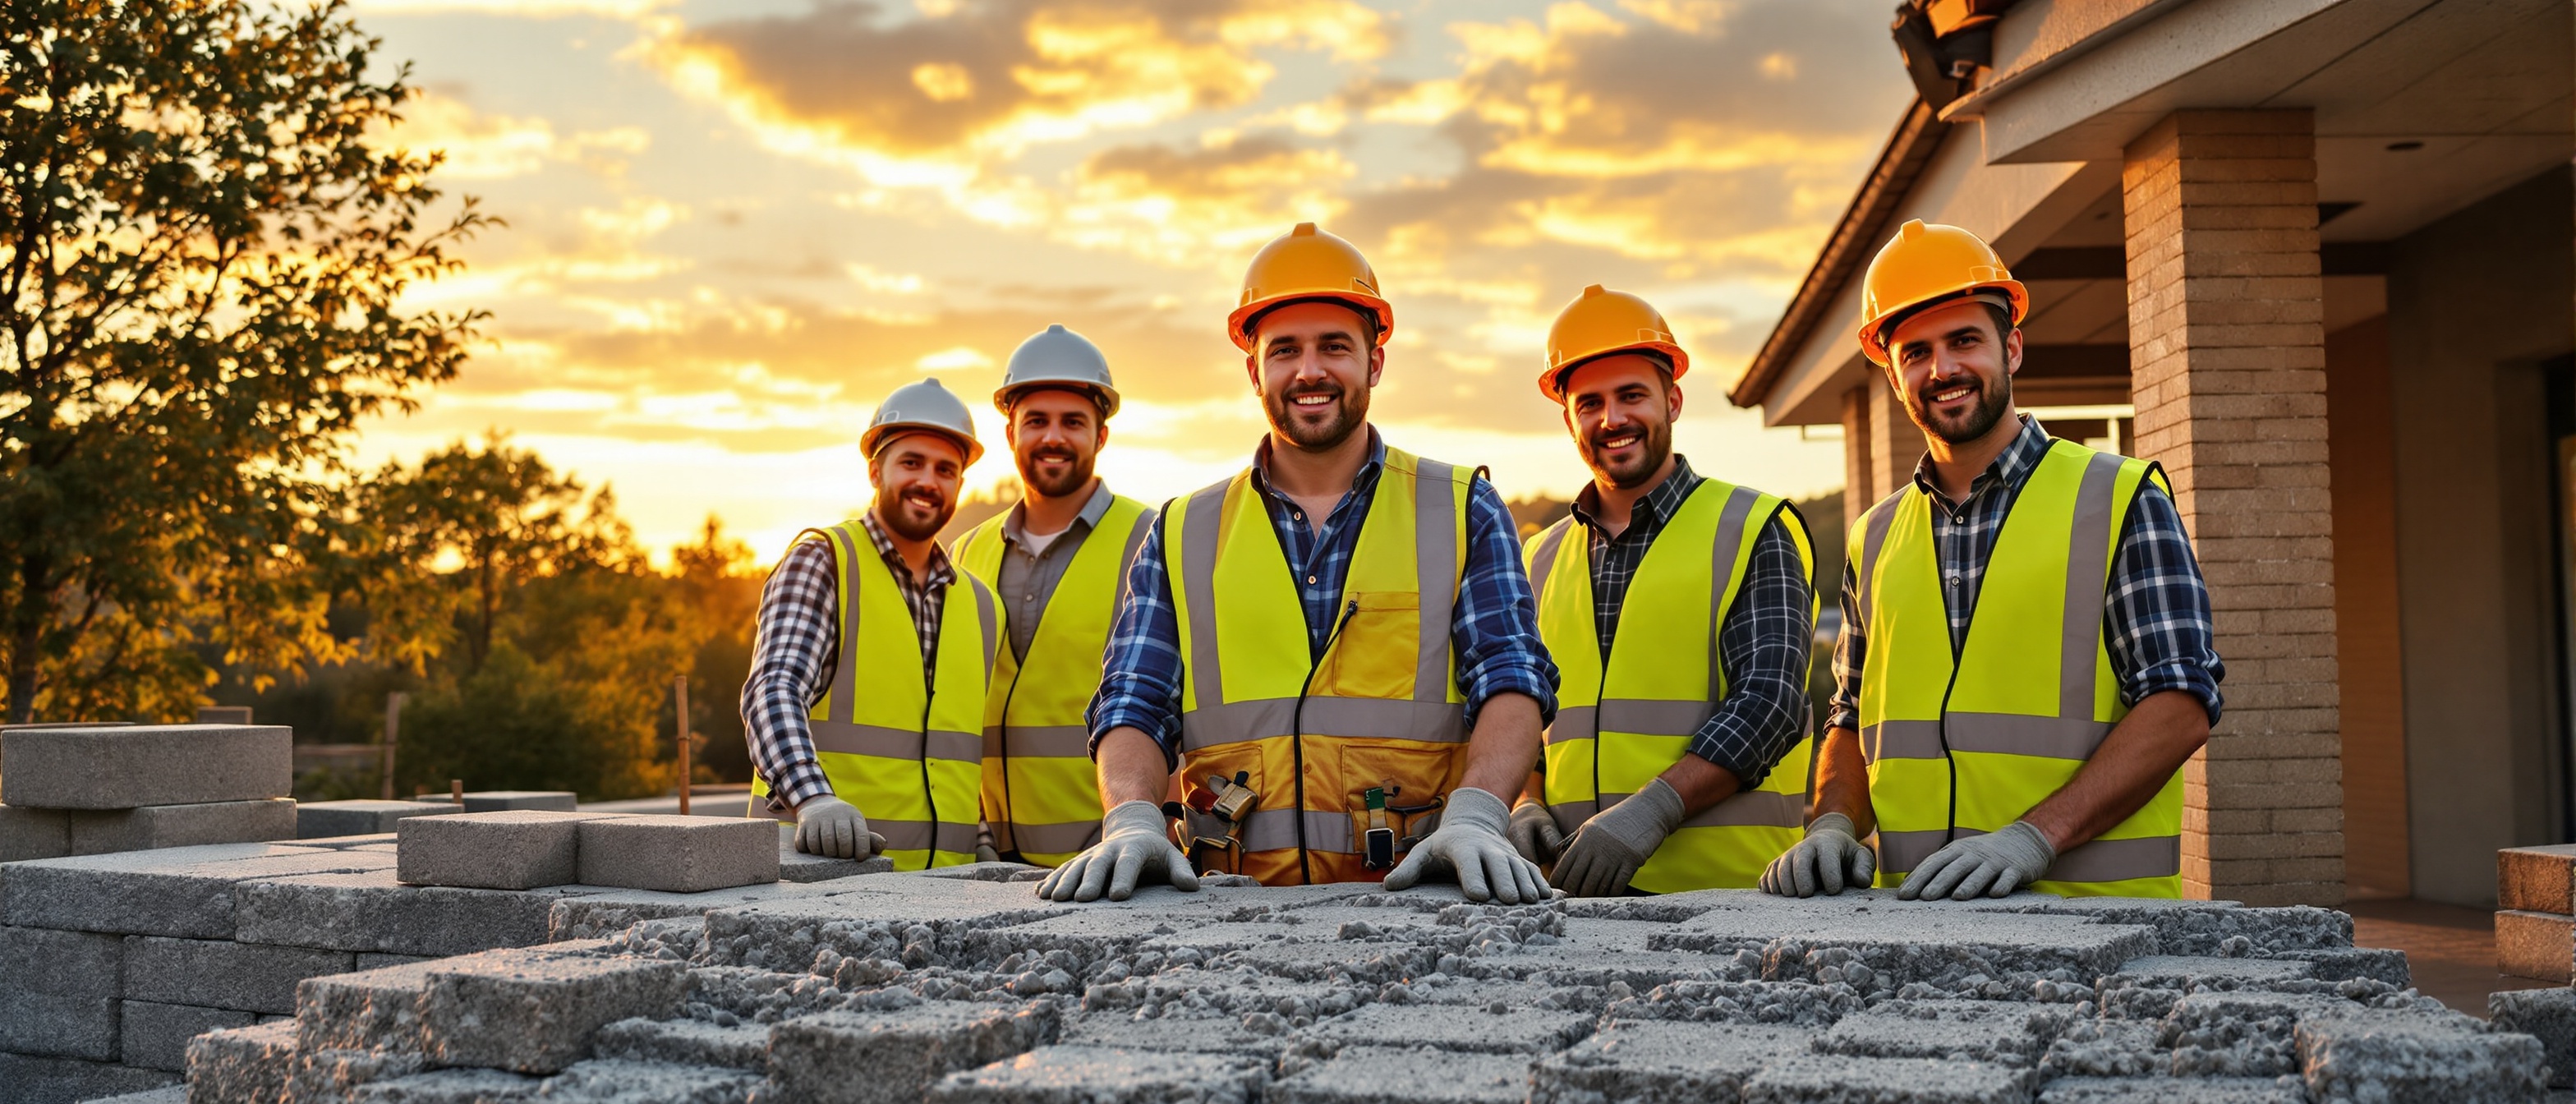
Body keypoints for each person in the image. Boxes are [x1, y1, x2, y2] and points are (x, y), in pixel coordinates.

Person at [1037, 223, 1561, 904]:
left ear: (1375, 362)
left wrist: (1480, 816)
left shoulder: (1462, 509)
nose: (1309, 370)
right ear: (1254, 370)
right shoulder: (1184, 529)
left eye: (1334, 347)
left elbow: (1512, 679)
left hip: (1417, 899)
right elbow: (1136, 698)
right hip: (1229, 913)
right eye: (1284, 350)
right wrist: (1133, 818)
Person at [1761, 219, 2224, 900]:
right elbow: (1851, 717)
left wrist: (2036, 836)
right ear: (1892, 375)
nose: (1942, 370)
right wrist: (1832, 821)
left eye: (1964, 341)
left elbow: (2180, 701)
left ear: (2011, 347)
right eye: (1915, 352)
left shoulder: (2119, 497)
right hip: (1913, 929)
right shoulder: (1875, 536)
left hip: (2092, 930)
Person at [1512, 285, 1817, 897]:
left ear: (1672, 400)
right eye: (1589, 402)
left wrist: (1652, 811)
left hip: (1730, 901)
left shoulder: (1752, 528)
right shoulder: (1539, 556)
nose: (1612, 419)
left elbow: (1770, 702)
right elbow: (1526, 716)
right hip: (1571, 897)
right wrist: (1524, 801)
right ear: (1568, 417)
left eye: (1632, 396)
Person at [740, 378, 1000, 870]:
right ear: (875, 470)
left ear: (960, 486)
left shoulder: (982, 604)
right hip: (823, 882)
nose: (929, 481)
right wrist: (811, 798)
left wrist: (982, 845)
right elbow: (773, 689)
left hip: (948, 897)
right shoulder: (825, 561)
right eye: (911, 463)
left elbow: (955, 755)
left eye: (946, 470)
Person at [954, 325, 1153, 867]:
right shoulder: (966, 553)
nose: (1053, 438)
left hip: (1113, 859)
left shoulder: (1154, 538)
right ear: (1011, 432)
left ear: (1101, 436)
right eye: (1036, 422)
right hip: (989, 863)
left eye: (1073, 422)